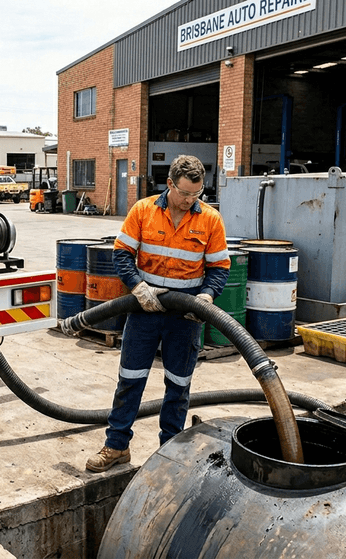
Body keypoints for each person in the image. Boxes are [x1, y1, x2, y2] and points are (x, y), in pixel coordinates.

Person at [86, 155, 230, 473]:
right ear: (169, 185)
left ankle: (170, 452)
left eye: (197, 194)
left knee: (178, 386)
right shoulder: (143, 210)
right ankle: (116, 446)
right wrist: (138, 288)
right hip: (145, 310)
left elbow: (219, 268)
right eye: (185, 194)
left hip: (186, 317)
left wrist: (205, 297)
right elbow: (122, 254)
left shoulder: (209, 219)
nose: (191, 200)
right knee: (130, 379)